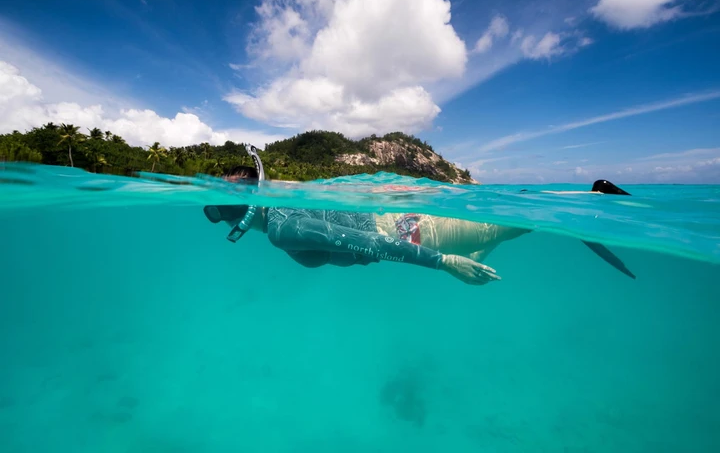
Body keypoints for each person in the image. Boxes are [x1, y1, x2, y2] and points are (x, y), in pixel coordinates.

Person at [203, 146, 635, 285]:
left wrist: (444, 262)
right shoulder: (282, 211)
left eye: (218, 206)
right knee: (509, 225)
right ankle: (580, 204)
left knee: (522, 219)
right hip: (408, 224)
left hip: (414, 232)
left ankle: (591, 198)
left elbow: (370, 242)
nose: (216, 214)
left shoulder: (282, 227)